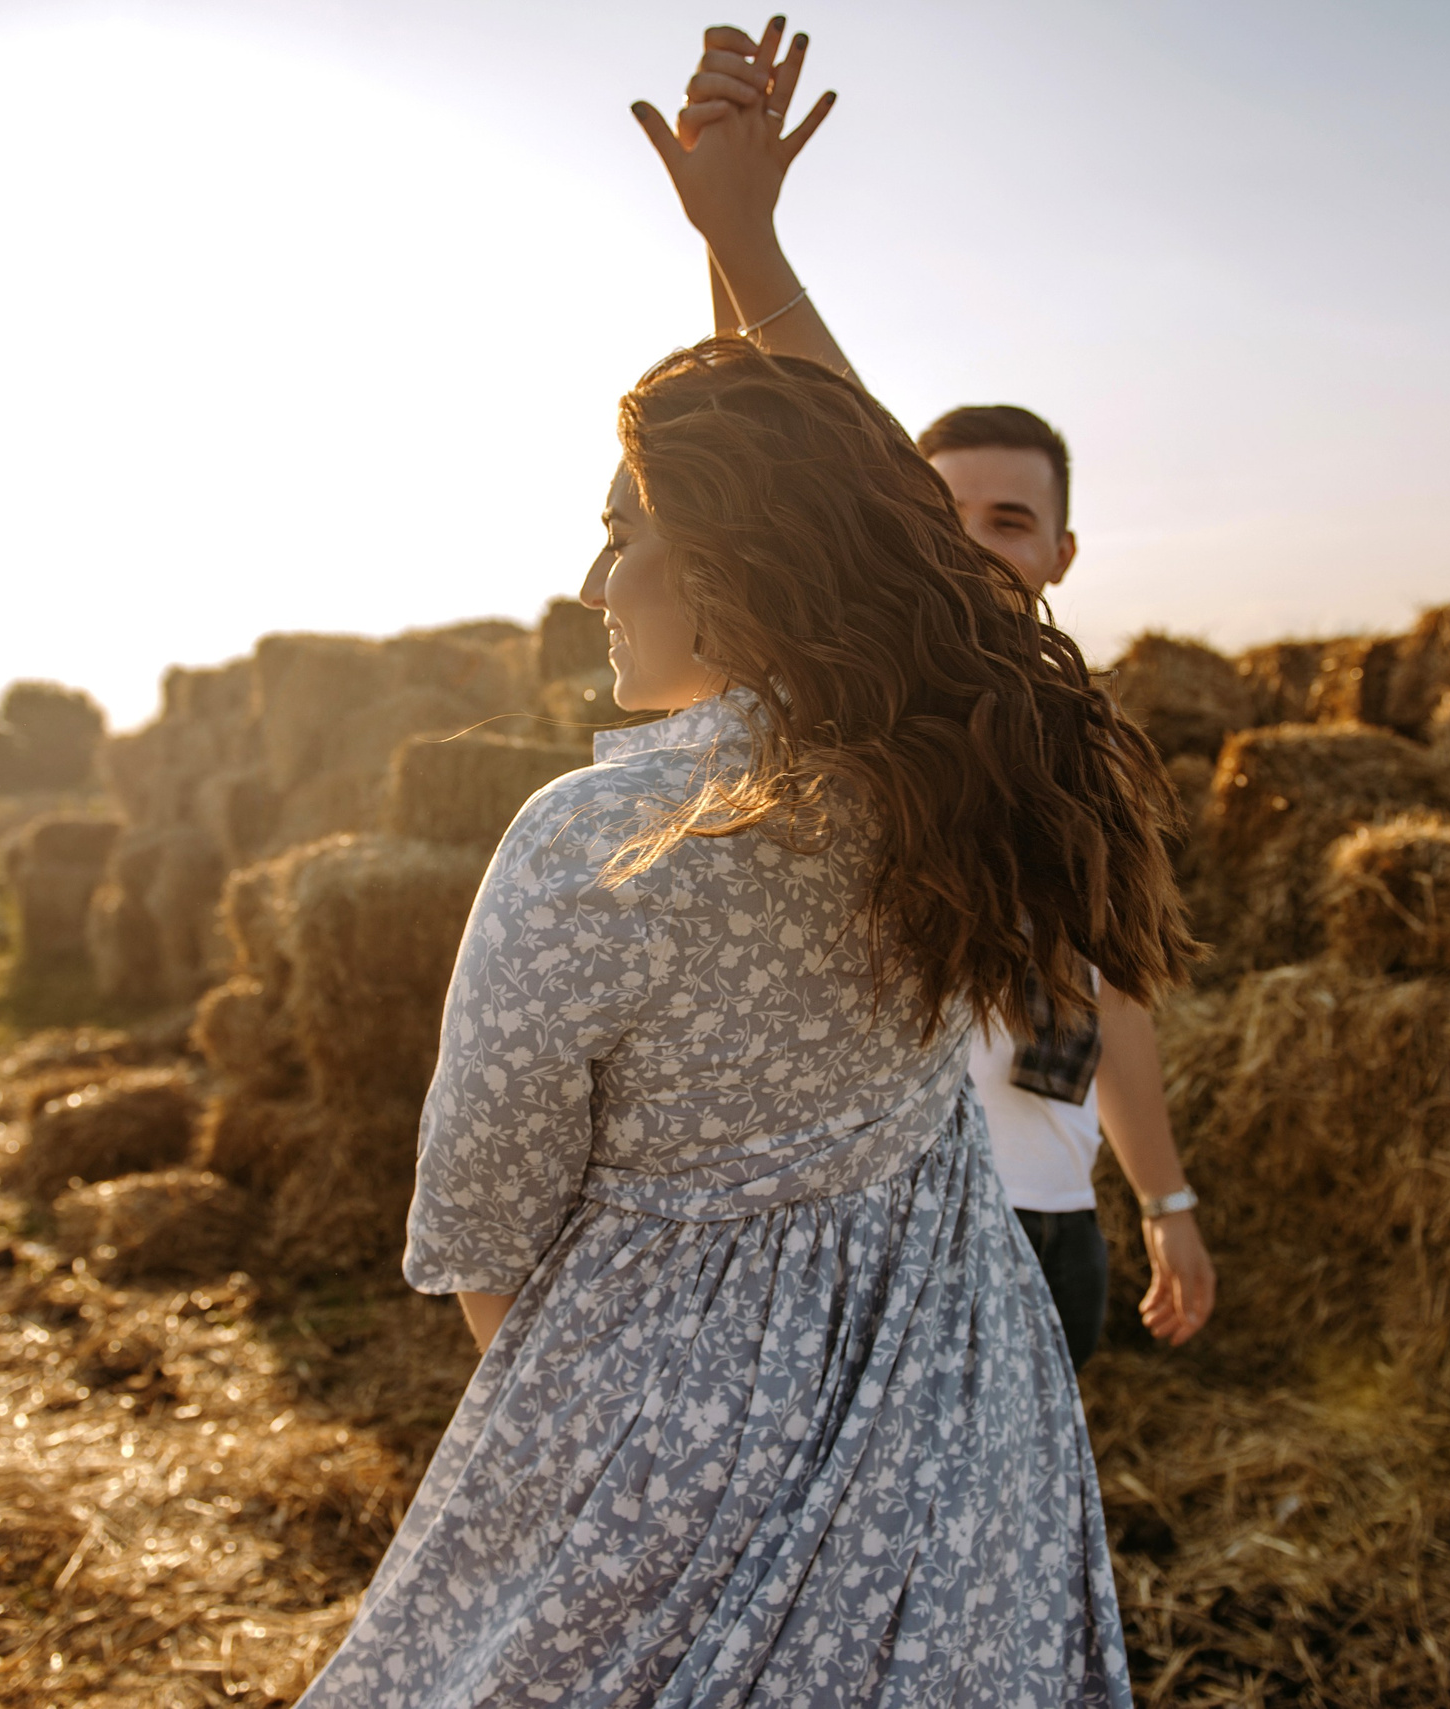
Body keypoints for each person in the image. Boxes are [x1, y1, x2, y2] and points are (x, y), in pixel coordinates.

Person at [295, 105, 1197, 1709]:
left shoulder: (595, 841)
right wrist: (746, 246)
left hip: (648, 1439)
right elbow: (881, 521)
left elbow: (486, 1241)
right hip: (960, 1400)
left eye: (621, 535)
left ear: (735, 567)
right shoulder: (983, 783)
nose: (592, 585)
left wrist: (617, 1447)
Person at [649, 18, 1215, 1365]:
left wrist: (1167, 1202)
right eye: (939, 514)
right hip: (863, 1209)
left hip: (1034, 1227)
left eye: (1009, 520)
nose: (969, 545)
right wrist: (737, 244)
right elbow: (795, 480)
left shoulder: (1073, 745)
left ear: (1063, 553)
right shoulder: (864, 709)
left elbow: (1115, 998)